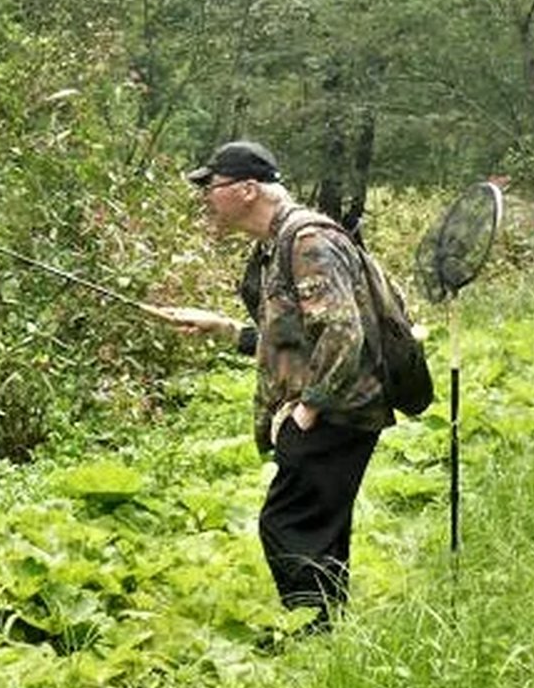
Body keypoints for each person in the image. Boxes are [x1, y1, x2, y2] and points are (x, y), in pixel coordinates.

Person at [150, 140, 393, 633]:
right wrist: (224, 329)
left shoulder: (306, 241)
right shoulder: (277, 243)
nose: (205, 199)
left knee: (286, 524)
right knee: (319, 528)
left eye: (211, 187)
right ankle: (327, 637)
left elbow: (342, 332)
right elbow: (295, 338)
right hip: (336, 407)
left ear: (247, 190)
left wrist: (307, 410)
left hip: (338, 410)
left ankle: (311, 633)